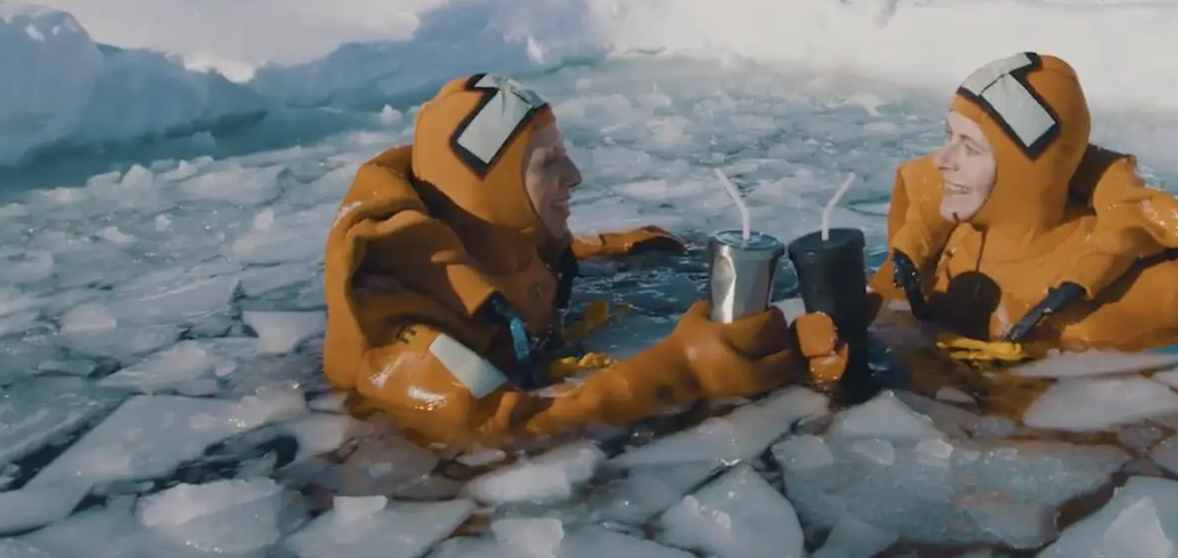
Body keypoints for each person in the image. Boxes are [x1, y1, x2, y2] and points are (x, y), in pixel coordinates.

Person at [321, 73, 833, 446]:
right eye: (548, 162)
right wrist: (685, 370)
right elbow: (500, 429)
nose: (575, 175)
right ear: (488, 190)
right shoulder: (399, 323)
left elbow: (530, 261)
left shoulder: (494, 247)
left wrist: (624, 247)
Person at [868, 52, 1178, 353]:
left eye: (971, 147)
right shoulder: (931, 251)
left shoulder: (1131, 290)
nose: (941, 160)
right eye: (950, 136)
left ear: (1023, 172)